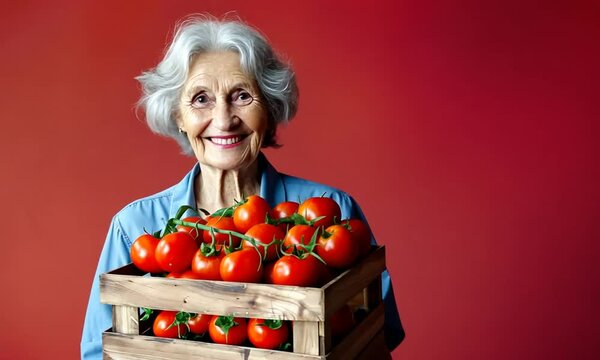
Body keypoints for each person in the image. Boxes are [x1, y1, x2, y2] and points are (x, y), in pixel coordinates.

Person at [80, 15, 405, 359]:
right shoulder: (134, 227)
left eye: (241, 96)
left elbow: (377, 338)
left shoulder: (331, 211)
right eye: (201, 99)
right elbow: (98, 353)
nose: (223, 119)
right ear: (178, 116)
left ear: (269, 108)